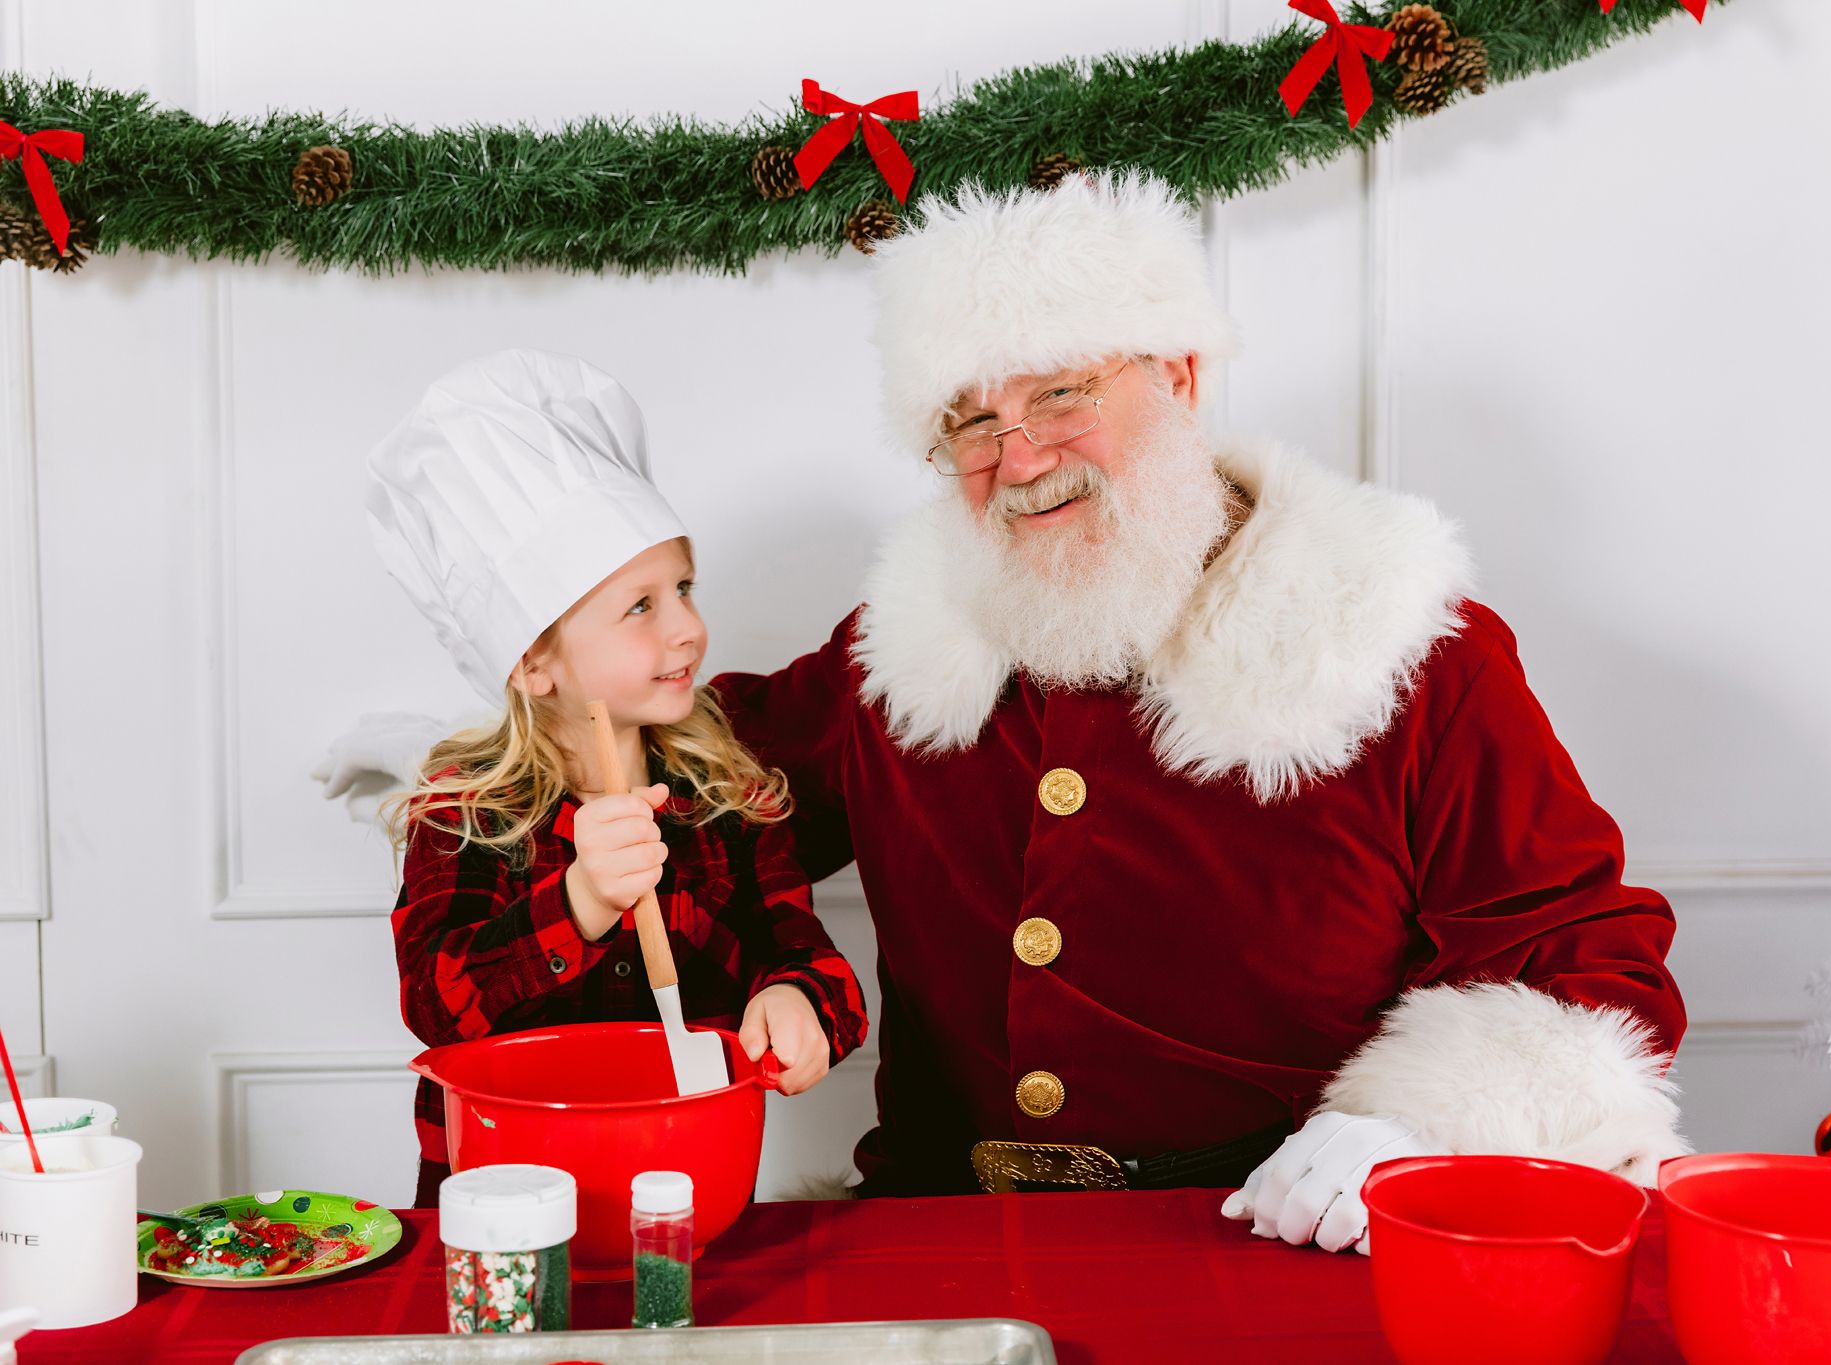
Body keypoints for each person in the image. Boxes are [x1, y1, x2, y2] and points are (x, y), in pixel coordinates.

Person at [321, 176, 1686, 1252]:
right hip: (942, 1237)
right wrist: (501, 755)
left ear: (1184, 380)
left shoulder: (1405, 648)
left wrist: (1419, 1133)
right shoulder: (907, 644)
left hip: (1254, 1247)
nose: (1017, 458)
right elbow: (705, 780)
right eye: (968, 422)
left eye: (1061, 393)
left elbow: (1592, 968)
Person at [365, 349, 868, 1206]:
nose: (689, 630)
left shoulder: (729, 798)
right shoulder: (463, 814)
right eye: (641, 605)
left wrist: (802, 999)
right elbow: (439, 1006)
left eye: (683, 588)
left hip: (687, 1187)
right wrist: (581, 897)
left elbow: (803, 952)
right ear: (533, 661)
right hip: (504, 1208)